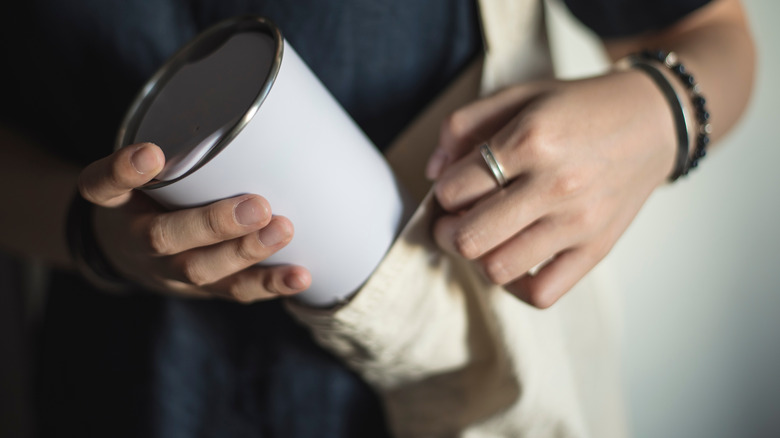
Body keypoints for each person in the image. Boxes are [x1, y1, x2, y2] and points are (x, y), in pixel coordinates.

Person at [0, 0, 754, 436]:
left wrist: (663, 115)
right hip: (127, 390)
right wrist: (92, 235)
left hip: (460, 382)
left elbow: (716, 32)